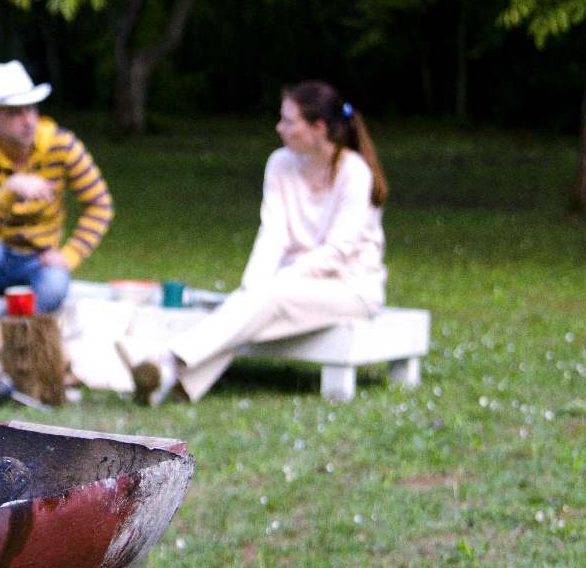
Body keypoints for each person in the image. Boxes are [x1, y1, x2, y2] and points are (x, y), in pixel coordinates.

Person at [119, 81, 388, 404]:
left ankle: (166, 359)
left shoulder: (354, 173)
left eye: (289, 121)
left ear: (318, 128)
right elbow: (272, 233)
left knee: (267, 299)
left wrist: (272, 284)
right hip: (293, 287)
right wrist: (253, 284)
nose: (279, 128)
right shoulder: (280, 163)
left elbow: (337, 253)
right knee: (254, 302)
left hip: (352, 288)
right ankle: (167, 380)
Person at [0, 61, 113, 316]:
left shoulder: (62, 144)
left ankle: (2, 333)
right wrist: (11, 189)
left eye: (31, 109)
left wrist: (69, 255)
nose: (28, 120)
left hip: (40, 260)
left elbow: (100, 204)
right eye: (15, 113)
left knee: (55, 283)